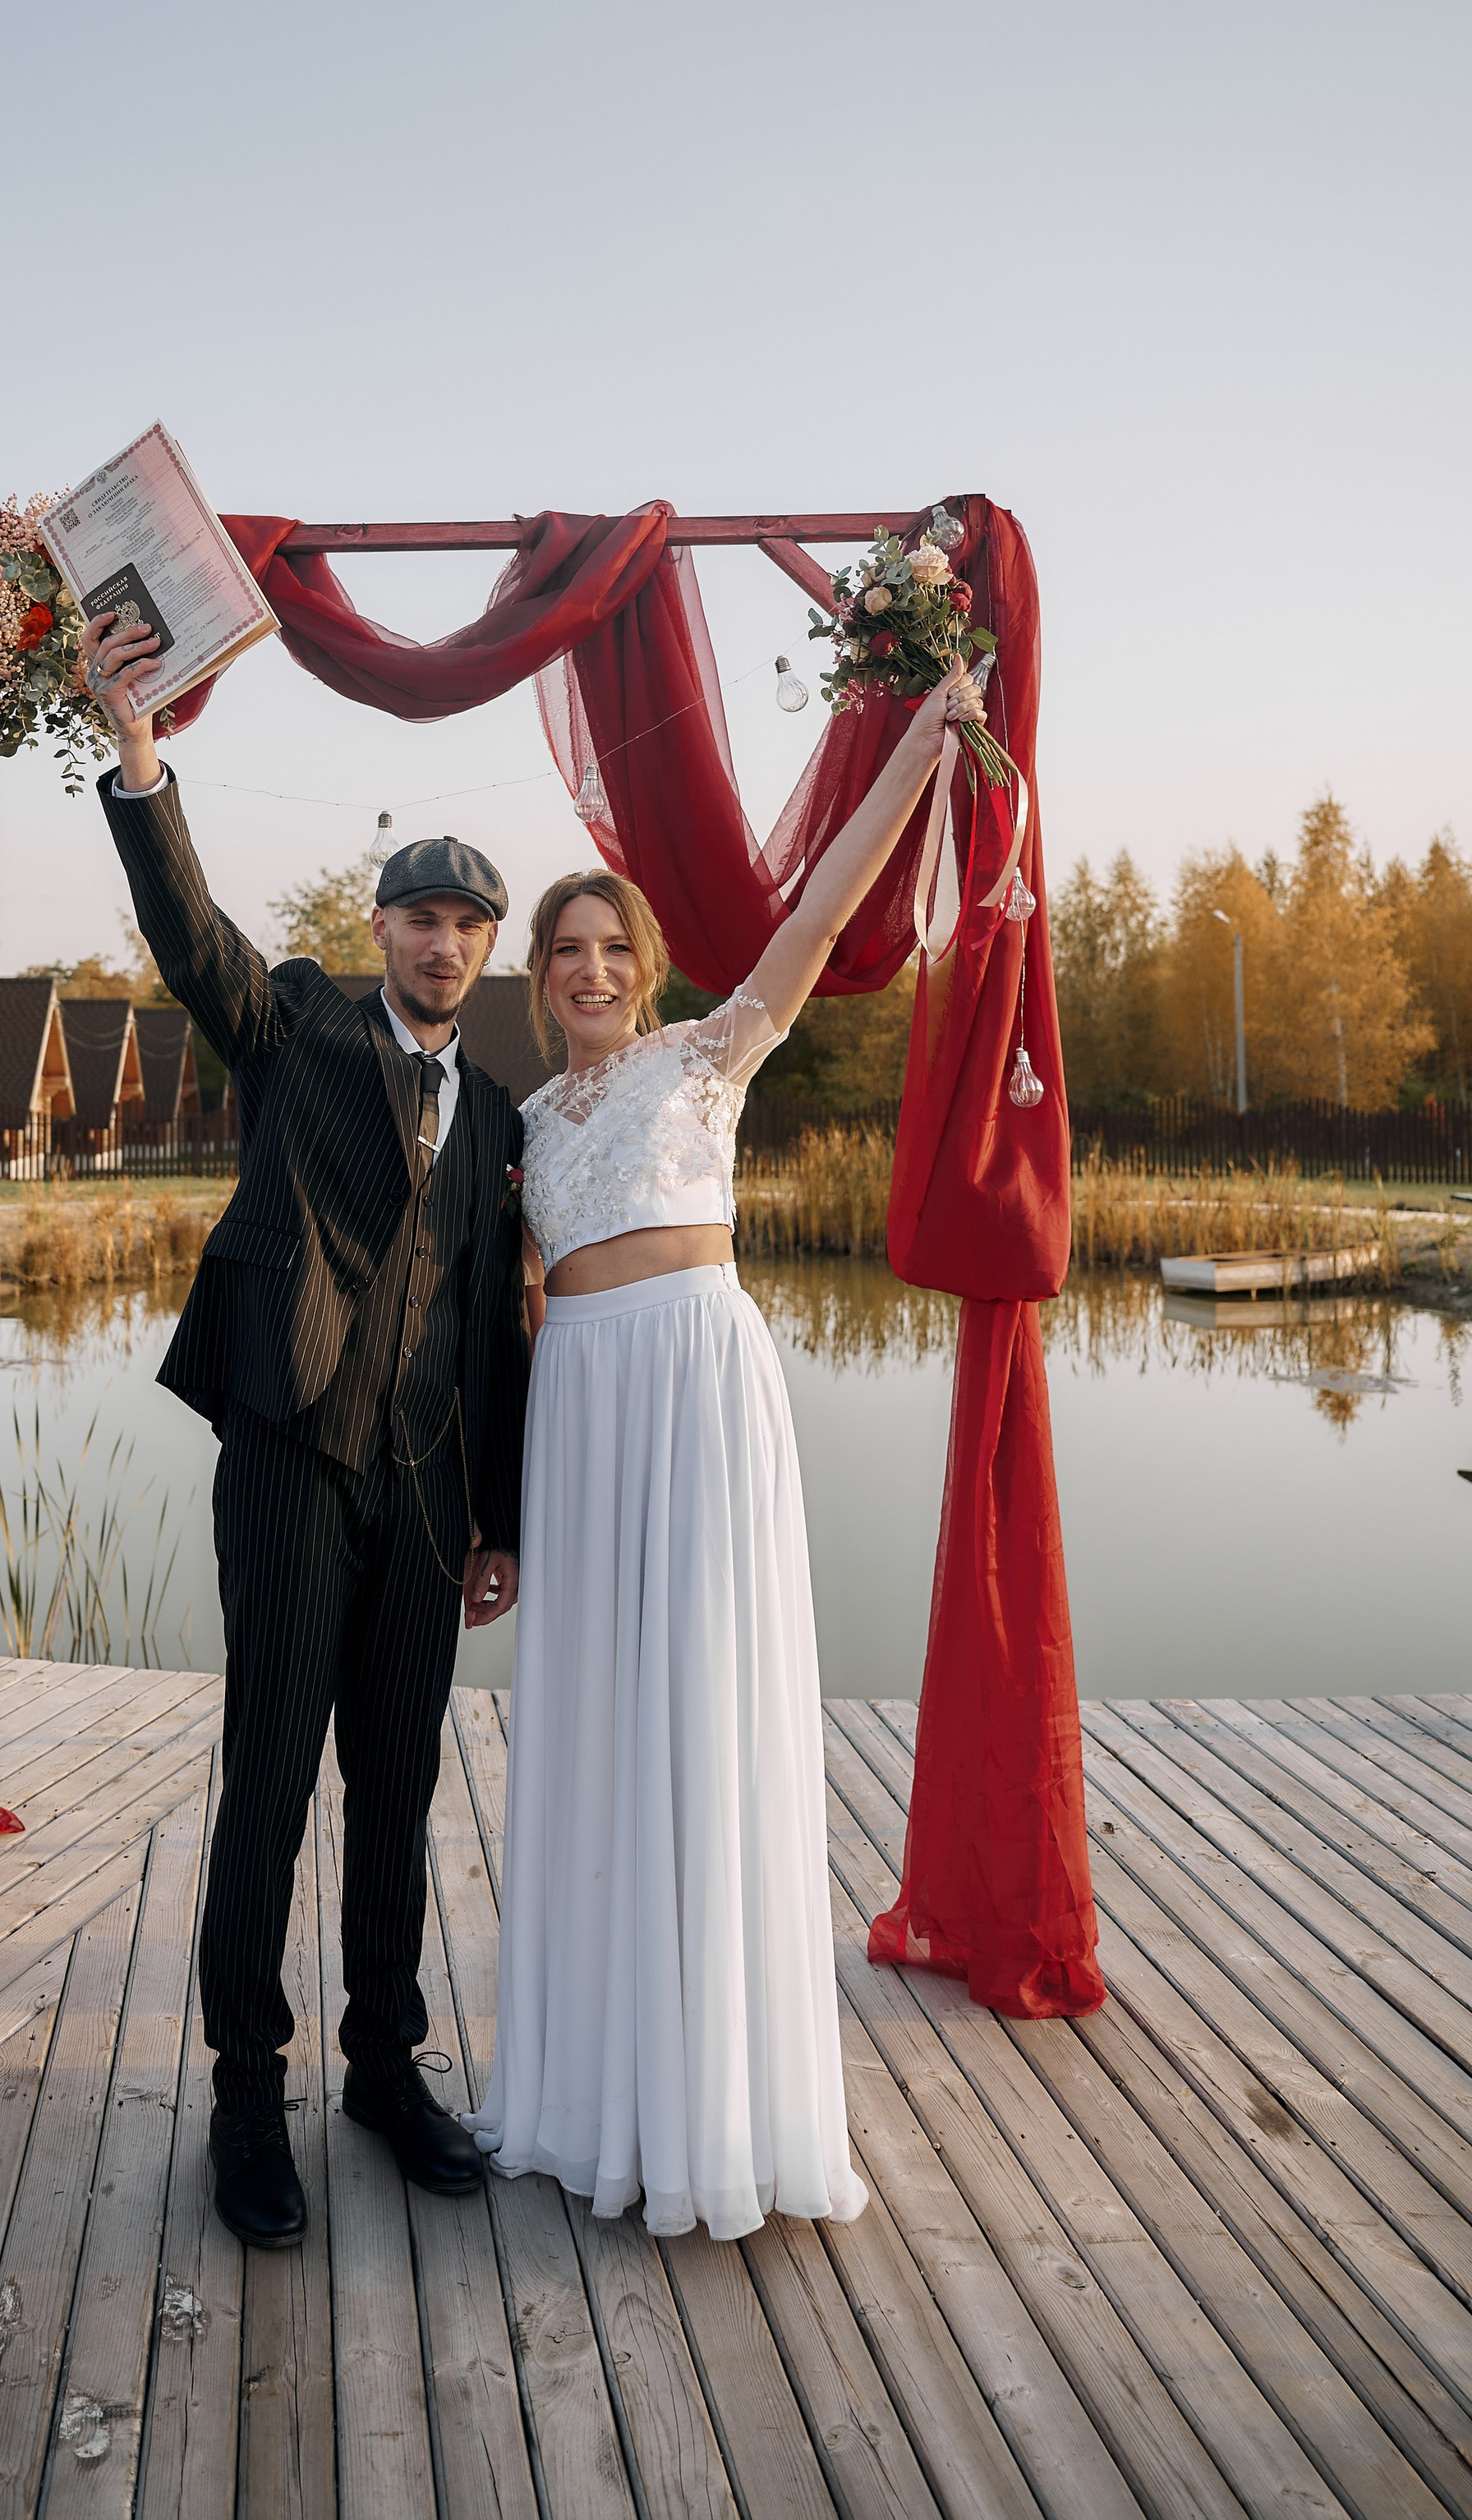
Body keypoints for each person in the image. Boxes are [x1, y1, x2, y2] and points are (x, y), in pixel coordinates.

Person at [470, 661, 985, 2239]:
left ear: (646, 962)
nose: (592, 968)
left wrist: (915, 744)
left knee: (701, 1704)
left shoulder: (712, 1056)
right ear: (537, 976)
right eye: (566, 951)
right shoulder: (519, 1132)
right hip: (581, 1409)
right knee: (599, 1724)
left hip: (696, 1383)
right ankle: (591, 2089)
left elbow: (824, 914)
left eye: (612, 944)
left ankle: (716, 2099)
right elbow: (488, 1322)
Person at [82, 607, 528, 2253]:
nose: (443, 943)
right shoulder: (299, 1025)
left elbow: (489, 1327)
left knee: (397, 1795)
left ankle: (381, 2073)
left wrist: (501, 1519)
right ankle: (246, 2101)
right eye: (421, 914)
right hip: (285, 1459)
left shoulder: (492, 1113)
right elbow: (188, 936)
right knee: (266, 1790)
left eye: (467, 924)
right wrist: (141, 766)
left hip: (422, 1495)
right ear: (380, 923)